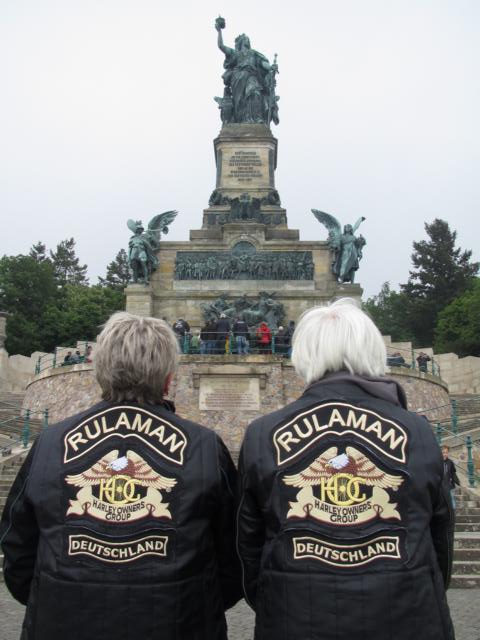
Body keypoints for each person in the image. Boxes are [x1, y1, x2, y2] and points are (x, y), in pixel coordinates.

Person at [0, 312, 241, 639]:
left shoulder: (50, 442)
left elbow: (17, 552)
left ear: (98, 370)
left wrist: (55, 598)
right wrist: (195, 604)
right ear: (168, 379)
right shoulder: (204, 446)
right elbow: (234, 558)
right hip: (179, 622)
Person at [237, 299, 454, 640]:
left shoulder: (262, 434)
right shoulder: (417, 430)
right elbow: (440, 538)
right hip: (408, 616)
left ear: (304, 354)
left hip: (294, 617)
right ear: (371, 350)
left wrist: (275, 598)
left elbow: (247, 547)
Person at [442, 445, 460, 509]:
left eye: (446, 453)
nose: (445, 454)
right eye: (443, 453)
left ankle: (453, 513)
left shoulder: (450, 462)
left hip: (449, 485)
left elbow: (453, 472)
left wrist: (457, 481)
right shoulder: (437, 462)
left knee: (452, 501)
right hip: (441, 486)